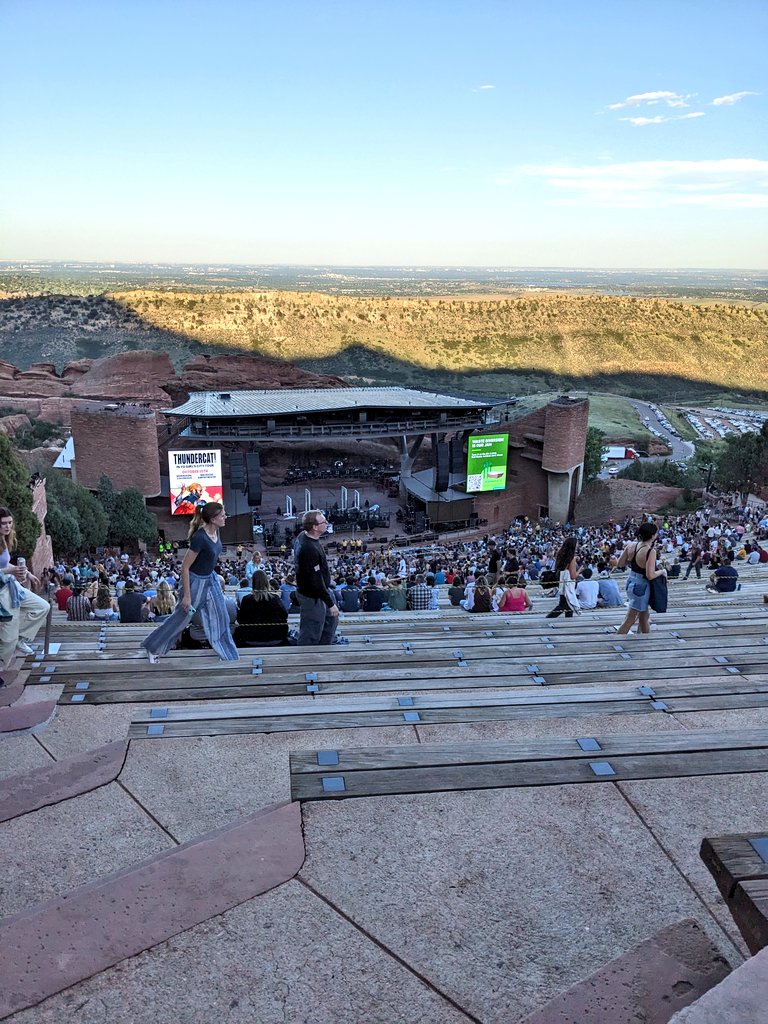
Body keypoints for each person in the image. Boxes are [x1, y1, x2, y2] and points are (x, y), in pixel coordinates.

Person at [141, 503, 239, 662]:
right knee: (181, 619)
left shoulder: (216, 531)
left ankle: (227, 654)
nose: (225, 517)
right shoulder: (200, 538)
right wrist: (187, 596)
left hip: (210, 580)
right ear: (213, 519)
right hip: (195, 584)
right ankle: (153, 647)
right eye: (222, 515)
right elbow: (185, 567)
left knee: (222, 616)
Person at [0, 506, 49, 672]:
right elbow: (5, 569)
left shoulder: (4, 540)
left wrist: (26, 573)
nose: (7, 527)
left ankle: (20, 637)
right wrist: (11, 571)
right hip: (1, 591)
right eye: (3, 523)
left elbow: (5, 564)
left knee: (43, 607)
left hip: (10, 585)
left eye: (9, 523)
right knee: (7, 640)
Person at [293, 509, 338, 646]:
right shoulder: (309, 548)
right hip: (312, 595)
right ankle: (307, 658)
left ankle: (324, 651)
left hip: (320, 591)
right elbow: (315, 580)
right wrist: (330, 603)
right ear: (314, 527)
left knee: (331, 621)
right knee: (311, 631)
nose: (327, 523)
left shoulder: (303, 536)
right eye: (324, 522)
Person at [614, 522, 667, 635]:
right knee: (630, 618)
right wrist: (662, 571)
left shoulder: (631, 545)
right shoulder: (650, 551)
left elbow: (620, 564)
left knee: (644, 615)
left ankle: (645, 638)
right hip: (641, 587)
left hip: (631, 581)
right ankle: (616, 640)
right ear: (652, 535)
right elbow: (650, 575)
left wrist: (634, 562)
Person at [233, 569, 288, 646]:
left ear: (253, 583)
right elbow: (284, 615)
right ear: (266, 582)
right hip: (274, 637)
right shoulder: (275, 599)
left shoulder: (247, 599)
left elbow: (240, 619)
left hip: (250, 638)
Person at [546, 537, 580, 618]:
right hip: (568, 582)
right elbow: (573, 576)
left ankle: (568, 620)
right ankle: (549, 618)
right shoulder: (571, 559)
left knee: (566, 604)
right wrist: (580, 569)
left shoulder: (561, 555)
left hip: (562, 580)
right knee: (564, 604)